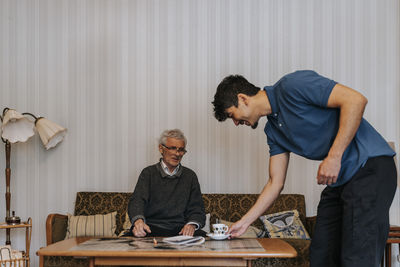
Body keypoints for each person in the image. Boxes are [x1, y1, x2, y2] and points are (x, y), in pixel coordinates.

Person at [212, 70, 396, 267]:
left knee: (357, 258)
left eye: (233, 115)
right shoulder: (273, 131)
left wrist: (333, 157)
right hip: (341, 180)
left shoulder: (293, 85)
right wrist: (245, 222)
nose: (236, 123)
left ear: (242, 98)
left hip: (370, 168)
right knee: (321, 255)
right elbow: (276, 182)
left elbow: (356, 100)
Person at [128, 129, 206, 237]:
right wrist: (139, 222)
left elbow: (197, 208)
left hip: (181, 230)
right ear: (161, 148)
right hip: (151, 228)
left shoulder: (190, 176)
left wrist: (192, 224)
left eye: (181, 150)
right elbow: (137, 201)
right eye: (173, 148)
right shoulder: (148, 173)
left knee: (207, 242)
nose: (177, 154)